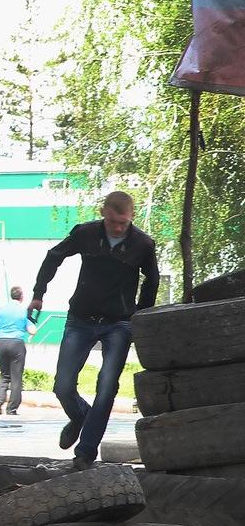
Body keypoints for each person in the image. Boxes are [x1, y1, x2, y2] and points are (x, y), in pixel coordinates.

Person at [30, 191, 159, 471]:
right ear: (103, 213)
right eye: (112, 222)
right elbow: (53, 257)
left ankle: (85, 452)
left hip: (119, 322)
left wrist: (140, 314)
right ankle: (79, 417)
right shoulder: (85, 233)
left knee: (106, 387)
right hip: (81, 318)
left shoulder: (142, 244)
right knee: (63, 385)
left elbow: (152, 279)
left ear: (130, 218)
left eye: (122, 223)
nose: (117, 228)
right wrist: (39, 294)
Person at [0, 285, 35, 416]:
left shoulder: (0, 310)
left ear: (11, 295)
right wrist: (28, 332)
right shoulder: (23, 311)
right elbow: (32, 330)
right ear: (21, 297)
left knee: (4, 374)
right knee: (16, 377)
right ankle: (12, 408)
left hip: (1, 342)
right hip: (17, 344)